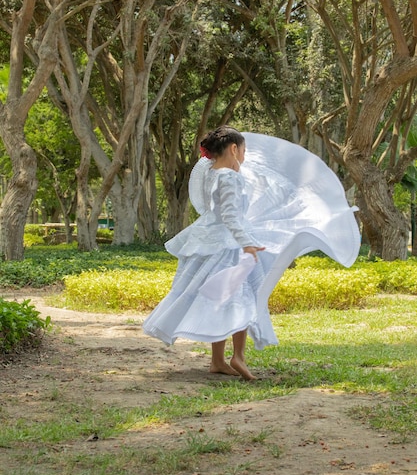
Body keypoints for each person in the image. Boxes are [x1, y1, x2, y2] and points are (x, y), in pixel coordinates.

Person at [142, 126, 361, 381]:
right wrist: (246, 243)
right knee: (242, 299)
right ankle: (238, 357)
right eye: (244, 151)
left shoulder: (209, 172)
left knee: (221, 298)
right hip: (230, 246)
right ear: (234, 149)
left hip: (209, 240)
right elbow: (231, 216)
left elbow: (212, 209)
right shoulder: (230, 177)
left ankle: (217, 360)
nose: (245, 156)